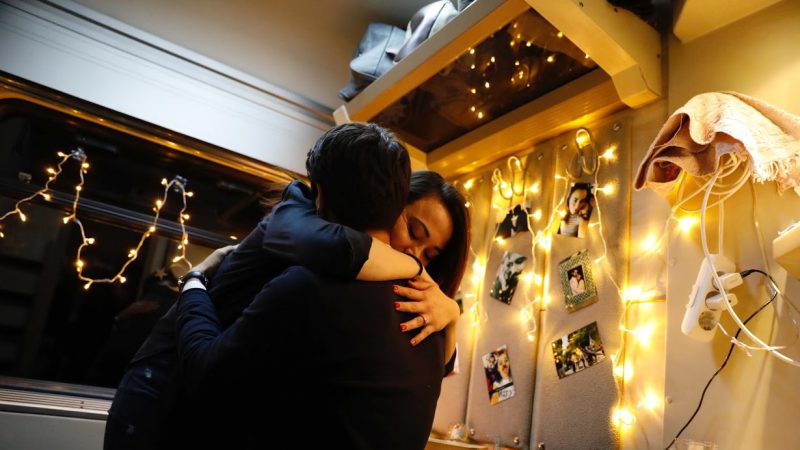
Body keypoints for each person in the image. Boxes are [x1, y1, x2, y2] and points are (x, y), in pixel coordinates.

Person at [104, 123, 469, 450]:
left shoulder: (407, 305)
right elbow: (343, 250)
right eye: (414, 232)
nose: (416, 254)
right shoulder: (300, 222)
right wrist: (195, 280)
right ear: (392, 202)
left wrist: (450, 315)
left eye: (430, 254)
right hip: (161, 378)